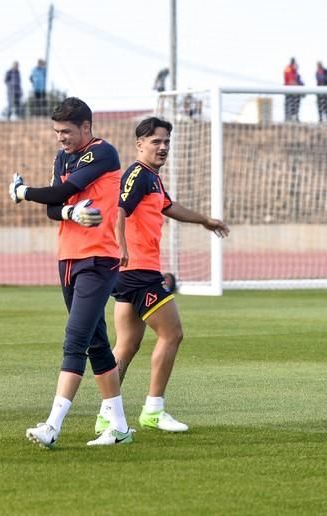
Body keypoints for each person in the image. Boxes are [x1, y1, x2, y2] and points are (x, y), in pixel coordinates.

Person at [9, 97, 133, 447]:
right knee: (96, 344)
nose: (60, 138)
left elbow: (64, 191)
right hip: (68, 257)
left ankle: (52, 425)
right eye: (57, 131)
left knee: (75, 339)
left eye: (66, 131)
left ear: (86, 128)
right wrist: (70, 214)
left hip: (98, 258)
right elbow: (54, 207)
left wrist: (22, 192)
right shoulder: (62, 156)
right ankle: (119, 427)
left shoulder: (103, 152)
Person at [93, 117, 229, 435]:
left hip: (130, 272)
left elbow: (169, 206)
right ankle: (154, 410)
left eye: (166, 141)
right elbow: (119, 209)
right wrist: (122, 247)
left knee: (126, 344)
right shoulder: (138, 174)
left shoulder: (152, 179)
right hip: (139, 270)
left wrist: (204, 220)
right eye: (156, 141)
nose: (163, 147)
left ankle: (105, 415)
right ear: (140, 144)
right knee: (173, 334)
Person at [284, 58, 303, 122]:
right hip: (290, 90)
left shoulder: (295, 72)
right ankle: (288, 118)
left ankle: (294, 117)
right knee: (290, 105)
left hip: (295, 91)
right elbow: (291, 82)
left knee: (295, 105)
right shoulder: (289, 70)